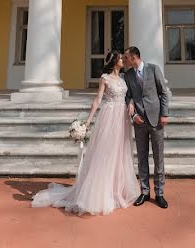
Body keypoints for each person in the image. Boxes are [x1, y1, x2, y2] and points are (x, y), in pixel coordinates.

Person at [31, 50, 140, 215]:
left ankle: (115, 190)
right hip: (109, 117)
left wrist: (131, 103)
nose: (123, 60)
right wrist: (86, 123)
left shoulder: (124, 78)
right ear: (114, 62)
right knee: (105, 153)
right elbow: (97, 100)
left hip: (122, 119)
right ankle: (99, 193)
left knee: (119, 153)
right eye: (120, 58)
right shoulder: (105, 78)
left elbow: (130, 95)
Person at [122, 45, 170, 209]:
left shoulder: (154, 69)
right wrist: (133, 115)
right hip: (139, 122)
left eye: (126, 58)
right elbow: (127, 96)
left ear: (134, 57)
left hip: (156, 120)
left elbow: (163, 93)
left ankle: (160, 193)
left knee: (158, 158)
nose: (124, 60)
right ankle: (144, 191)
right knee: (142, 157)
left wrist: (164, 114)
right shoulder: (127, 75)